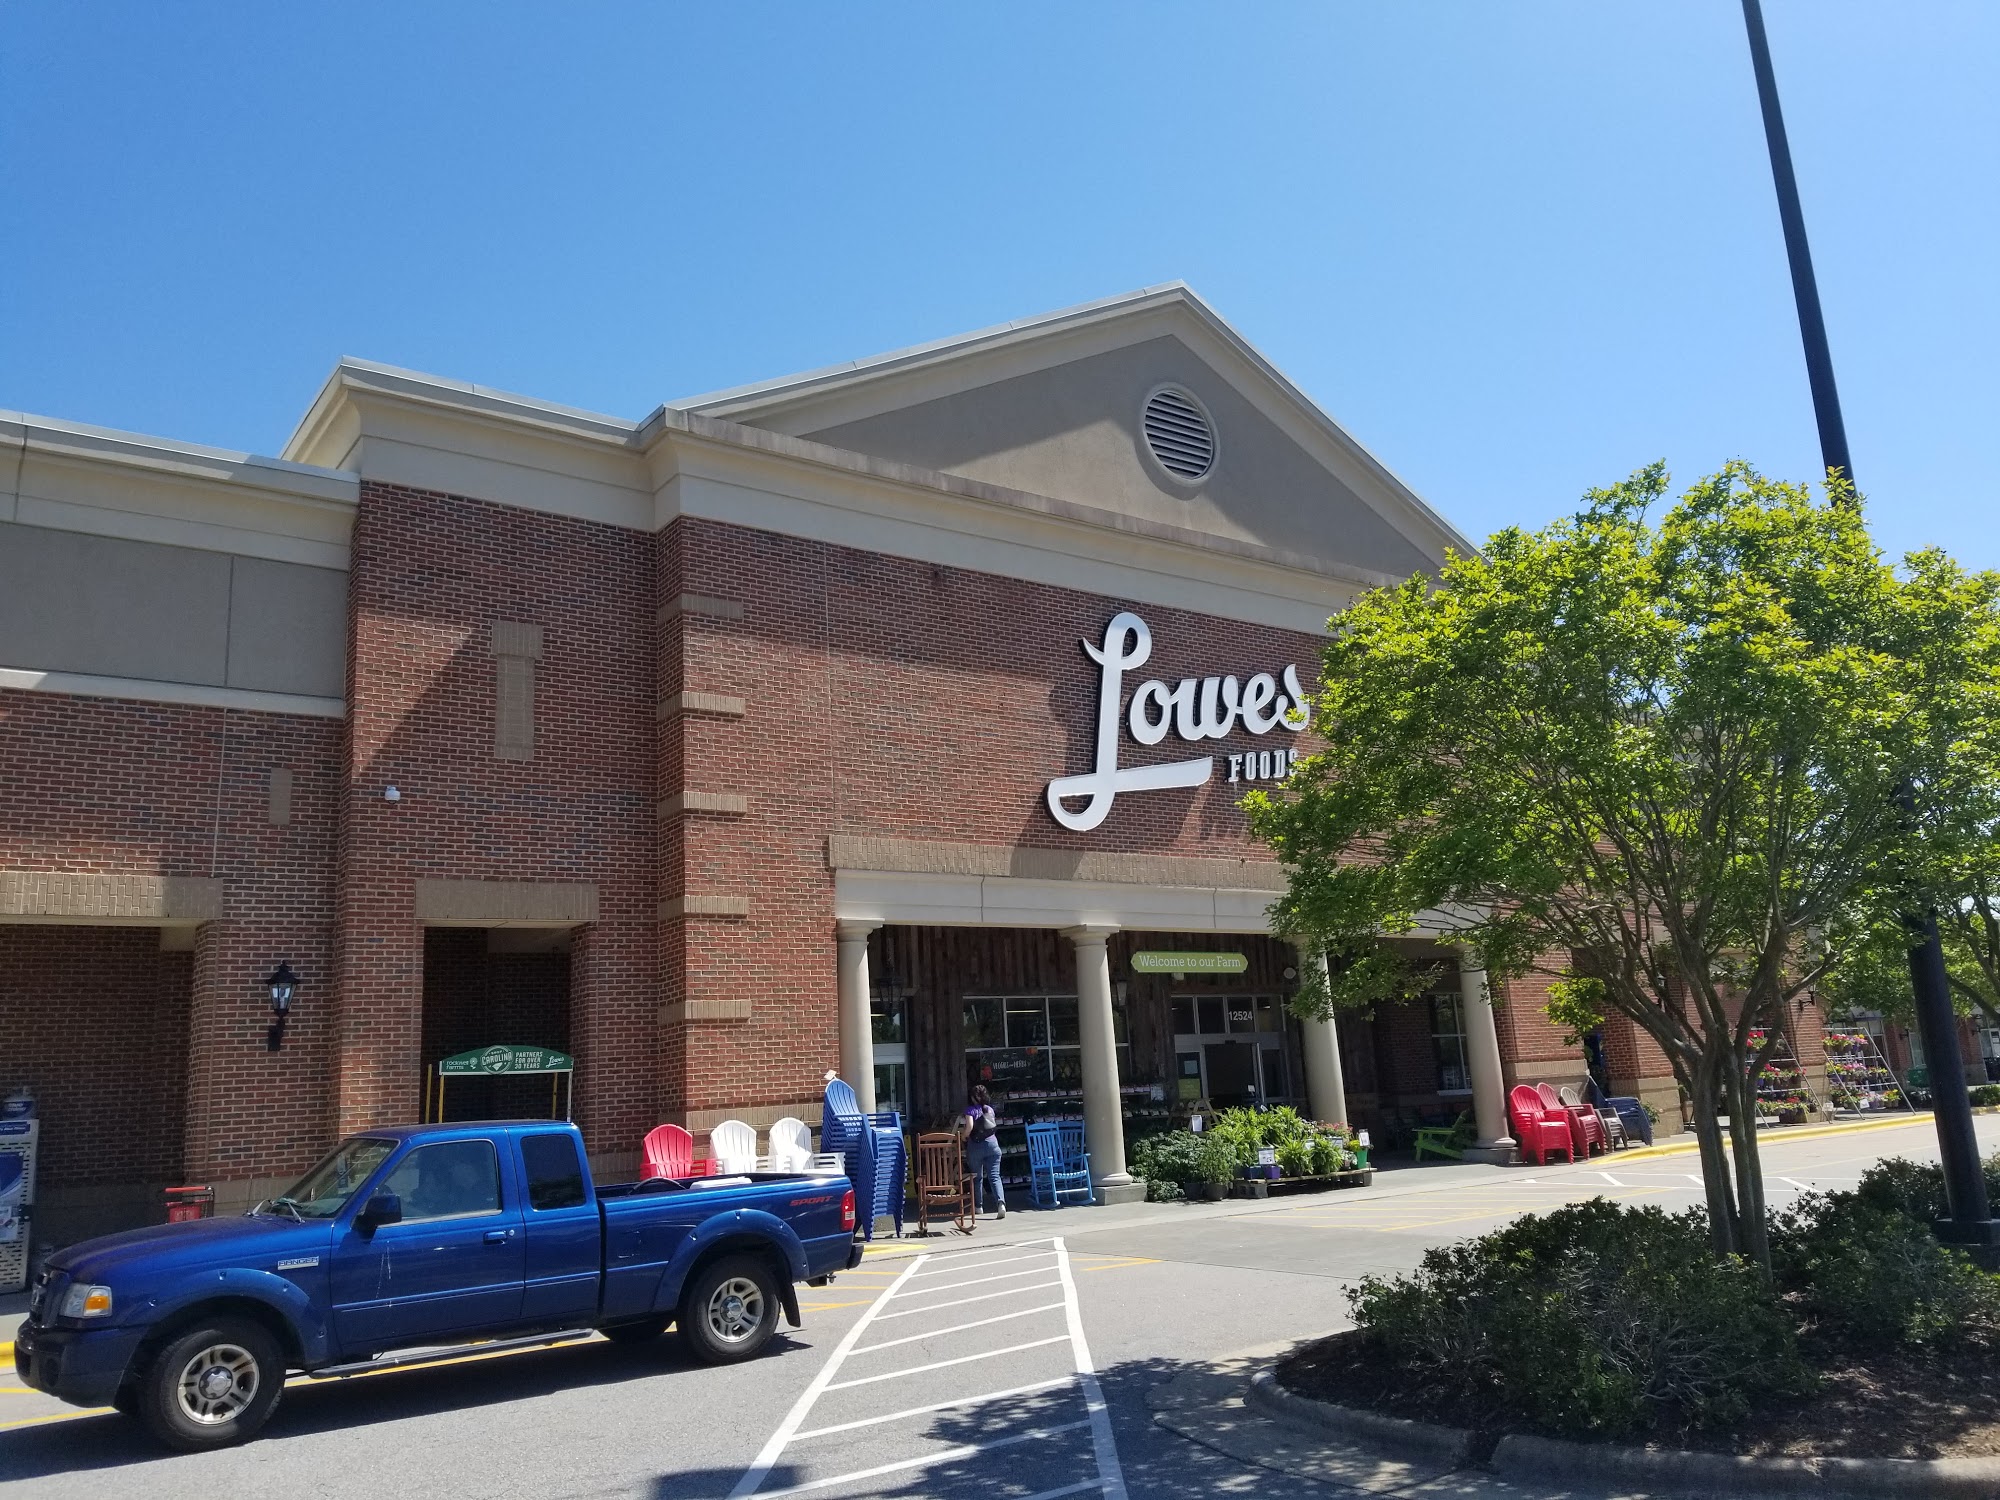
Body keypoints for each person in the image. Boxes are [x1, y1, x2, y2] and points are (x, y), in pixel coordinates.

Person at [958, 1084, 1005, 1218]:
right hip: (993, 1145)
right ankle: (1001, 1204)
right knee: (994, 1176)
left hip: (976, 1147)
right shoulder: (990, 1109)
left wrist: (963, 1136)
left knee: (977, 1177)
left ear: (973, 1097)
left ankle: (978, 1207)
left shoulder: (970, 1110)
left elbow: (969, 1127)